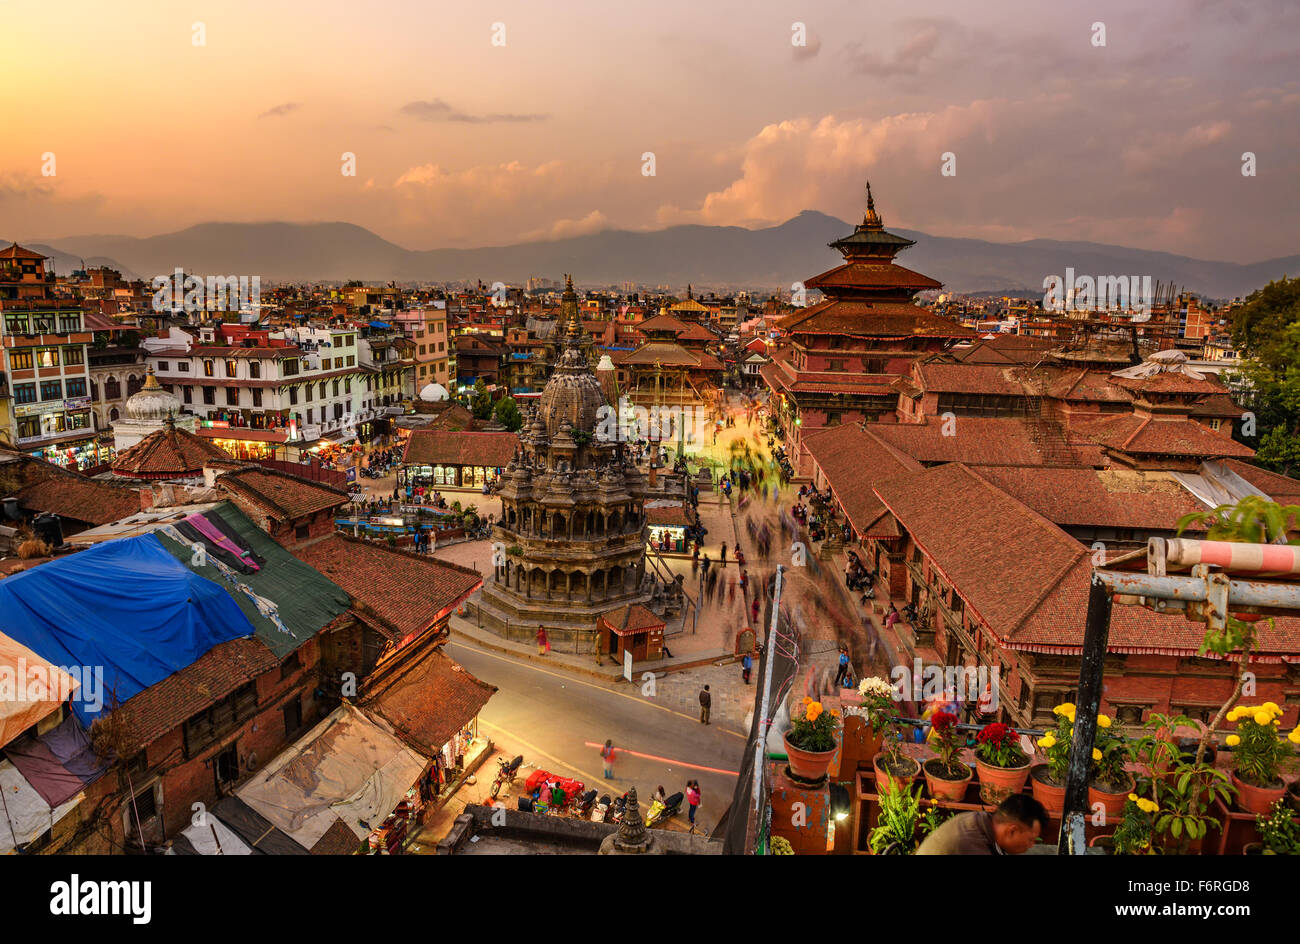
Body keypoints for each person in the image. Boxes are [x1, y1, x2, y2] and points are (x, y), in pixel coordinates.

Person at [916, 794, 1048, 855]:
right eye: (1030, 839)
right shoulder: (970, 844)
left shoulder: (979, 820)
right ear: (1012, 830)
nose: (1031, 845)